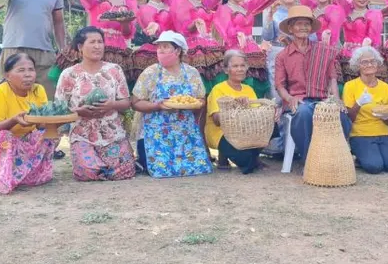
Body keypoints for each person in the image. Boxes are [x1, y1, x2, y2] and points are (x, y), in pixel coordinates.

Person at [55, 27, 136, 181]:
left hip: (112, 133)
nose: (98, 46)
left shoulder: (114, 70)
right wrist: (79, 112)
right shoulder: (69, 74)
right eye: (92, 42)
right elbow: (60, 109)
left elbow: (126, 102)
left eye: (100, 42)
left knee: (126, 169)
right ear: (80, 47)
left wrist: (111, 105)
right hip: (82, 135)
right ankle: (97, 167)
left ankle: (107, 167)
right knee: (87, 172)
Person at [274, 6, 352, 162]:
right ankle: (309, 159)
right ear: (290, 28)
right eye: (298, 23)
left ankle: (336, 158)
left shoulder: (324, 50)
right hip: (298, 100)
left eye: (306, 24)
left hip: (322, 99)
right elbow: (280, 85)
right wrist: (290, 99)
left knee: (341, 115)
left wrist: (335, 100)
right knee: (304, 113)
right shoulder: (282, 56)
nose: (303, 27)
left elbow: (332, 79)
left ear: (311, 28)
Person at [131, 31, 212, 178]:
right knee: (161, 170)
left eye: (165, 46)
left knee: (197, 168)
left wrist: (194, 104)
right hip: (155, 132)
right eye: (159, 47)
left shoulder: (191, 73)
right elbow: (135, 102)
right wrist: (157, 106)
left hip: (185, 132)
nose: (160, 50)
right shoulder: (151, 72)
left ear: (178, 50)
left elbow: (201, 99)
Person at [0, 53, 56, 194]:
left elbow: (40, 125)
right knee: (5, 136)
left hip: (19, 145)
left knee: (47, 135)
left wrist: (57, 122)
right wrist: (13, 120)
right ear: (7, 75)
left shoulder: (38, 90)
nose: (28, 75)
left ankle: (22, 172)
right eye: (21, 70)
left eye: (31, 70)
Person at [0, 0, 66, 97]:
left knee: (48, 96)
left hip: (44, 50)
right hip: (14, 47)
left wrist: (62, 48)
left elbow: (58, 22)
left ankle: (44, 122)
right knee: (7, 96)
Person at [169, 0, 230, 92]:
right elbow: (183, 29)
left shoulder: (206, 3)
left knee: (215, 88)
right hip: (190, 49)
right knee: (193, 88)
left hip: (211, 49)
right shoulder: (180, 0)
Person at [212, 0, 278, 97]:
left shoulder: (246, 6)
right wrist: (237, 33)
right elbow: (225, 31)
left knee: (257, 85)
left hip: (252, 49)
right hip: (234, 49)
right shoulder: (224, 9)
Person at [342, 46, 388, 174]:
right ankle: (359, 155)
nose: (369, 64)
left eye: (373, 61)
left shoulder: (386, 88)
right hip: (360, 134)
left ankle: (375, 154)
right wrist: (359, 103)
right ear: (357, 65)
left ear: (378, 64)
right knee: (374, 167)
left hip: (383, 133)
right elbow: (349, 118)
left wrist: (386, 117)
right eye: (364, 62)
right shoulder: (350, 86)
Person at [205, 50, 269, 174]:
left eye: (242, 66)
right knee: (247, 165)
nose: (240, 69)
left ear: (246, 68)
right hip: (222, 133)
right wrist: (235, 105)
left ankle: (253, 157)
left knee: (273, 127)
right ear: (225, 70)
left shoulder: (249, 89)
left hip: (243, 133)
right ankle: (224, 156)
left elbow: (257, 115)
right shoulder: (218, 89)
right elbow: (217, 121)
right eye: (235, 66)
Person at [331, 0, 385, 82]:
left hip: (366, 57)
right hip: (346, 57)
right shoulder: (346, 12)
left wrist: (364, 53)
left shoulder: (374, 14)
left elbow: (373, 38)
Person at [132, 0, 181, 80]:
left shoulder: (172, 8)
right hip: (151, 53)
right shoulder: (141, 9)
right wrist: (156, 28)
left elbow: (178, 31)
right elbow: (148, 33)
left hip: (172, 52)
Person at [262, 0, 299, 99]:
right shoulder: (273, 11)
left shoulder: (303, 11)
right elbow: (267, 36)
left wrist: (290, 41)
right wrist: (270, 16)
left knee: (297, 90)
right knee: (276, 90)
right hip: (277, 54)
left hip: (299, 55)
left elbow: (311, 36)